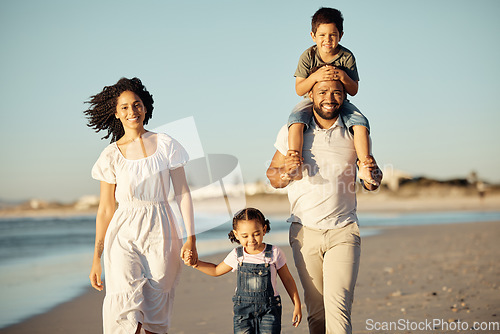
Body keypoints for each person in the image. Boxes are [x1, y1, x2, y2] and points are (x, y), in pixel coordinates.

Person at [266, 72, 382, 334]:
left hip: (344, 230)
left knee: (338, 308)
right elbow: (272, 174)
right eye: (323, 92)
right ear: (311, 95)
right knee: (317, 312)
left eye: (337, 93)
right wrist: (286, 174)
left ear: (345, 96)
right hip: (305, 233)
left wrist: (373, 177)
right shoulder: (293, 132)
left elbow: (371, 178)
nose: (330, 98)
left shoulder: (355, 132)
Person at [84, 77, 198, 334]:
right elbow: (105, 210)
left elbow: (182, 193)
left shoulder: (167, 144)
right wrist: (96, 258)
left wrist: (191, 238)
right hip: (123, 233)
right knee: (125, 312)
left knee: (154, 316)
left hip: (162, 230)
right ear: (116, 113)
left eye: (136, 105)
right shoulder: (110, 155)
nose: (131, 111)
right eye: (124, 107)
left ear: (145, 108)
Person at [286, 7, 379, 186]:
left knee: (360, 122)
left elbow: (353, 89)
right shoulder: (308, 56)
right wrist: (315, 77)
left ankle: (365, 165)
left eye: (332, 35)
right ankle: (295, 161)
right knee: (295, 119)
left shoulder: (346, 57)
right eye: (322, 35)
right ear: (313, 36)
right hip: (312, 101)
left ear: (341, 35)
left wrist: (343, 76)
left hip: (340, 102)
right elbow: (299, 89)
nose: (327, 40)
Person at [183, 208, 302, 333]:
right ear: (236, 234)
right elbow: (216, 270)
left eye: (256, 234)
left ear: (264, 229)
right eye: (245, 236)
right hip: (243, 312)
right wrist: (195, 264)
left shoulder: (274, 253)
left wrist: (297, 305)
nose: (251, 240)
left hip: (269, 310)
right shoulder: (237, 255)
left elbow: (287, 279)